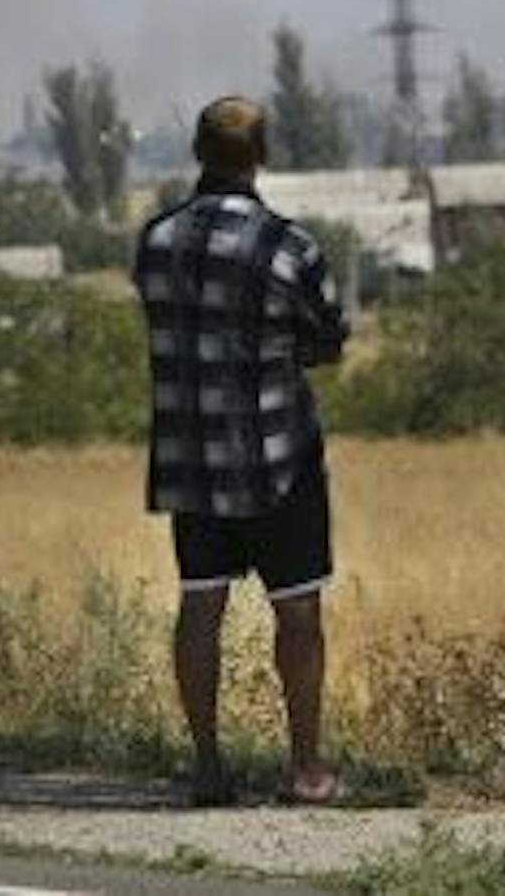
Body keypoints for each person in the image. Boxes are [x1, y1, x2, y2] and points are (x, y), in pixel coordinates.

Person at [134, 96, 350, 806]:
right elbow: (328, 339)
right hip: (277, 460)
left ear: (198, 150)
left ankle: (207, 767)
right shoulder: (291, 248)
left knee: (200, 608)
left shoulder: (156, 242)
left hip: (191, 463)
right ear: (262, 154)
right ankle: (306, 768)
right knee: (298, 615)